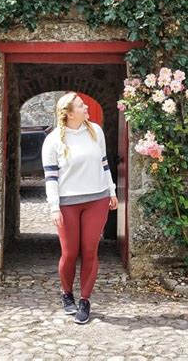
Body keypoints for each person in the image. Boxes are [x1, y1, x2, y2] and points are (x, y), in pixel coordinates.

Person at [41, 92, 118, 324]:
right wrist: (54, 207)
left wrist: (112, 192)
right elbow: (51, 178)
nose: (87, 108)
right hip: (67, 204)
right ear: (69, 113)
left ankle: (85, 300)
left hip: (97, 199)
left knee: (90, 251)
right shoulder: (53, 140)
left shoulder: (96, 131)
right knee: (70, 252)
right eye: (81, 106)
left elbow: (104, 164)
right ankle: (67, 295)